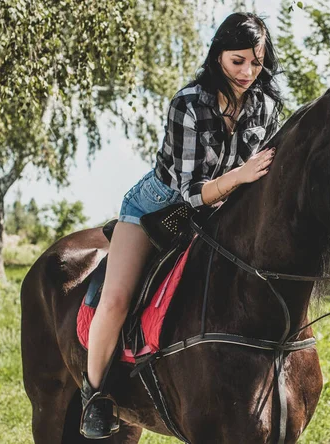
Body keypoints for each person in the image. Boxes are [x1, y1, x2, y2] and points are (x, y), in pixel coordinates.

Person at [80, 12, 284, 439]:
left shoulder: (267, 105)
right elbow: (192, 192)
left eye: (256, 62)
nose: (248, 72)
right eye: (237, 61)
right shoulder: (188, 103)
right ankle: (95, 395)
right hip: (159, 210)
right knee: (116, 299)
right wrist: (242, 175)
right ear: (217, 57)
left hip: (223, 214)